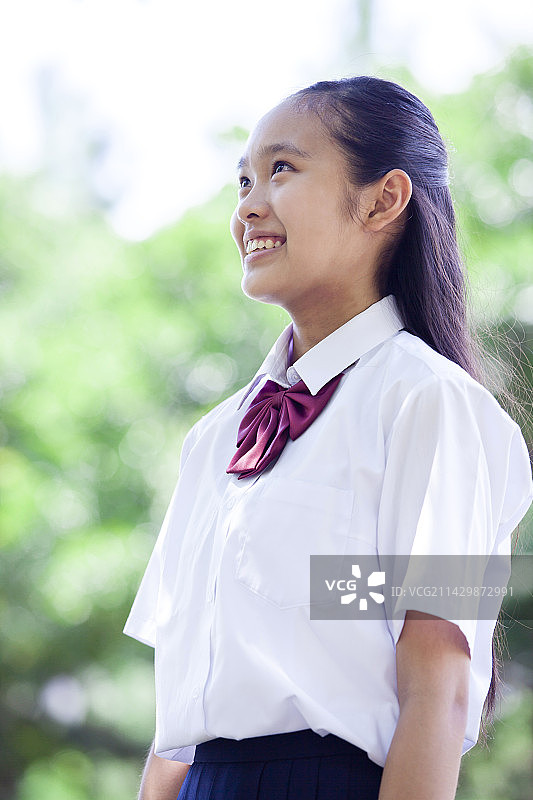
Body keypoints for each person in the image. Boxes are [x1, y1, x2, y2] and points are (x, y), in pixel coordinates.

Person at [124, 76, 533, 800]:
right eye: (242, 179)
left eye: (281, 170)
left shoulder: (432, 406)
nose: (248, 206)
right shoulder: (212, 439)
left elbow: (435, 690)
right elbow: (174, 725)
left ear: (383, 199)